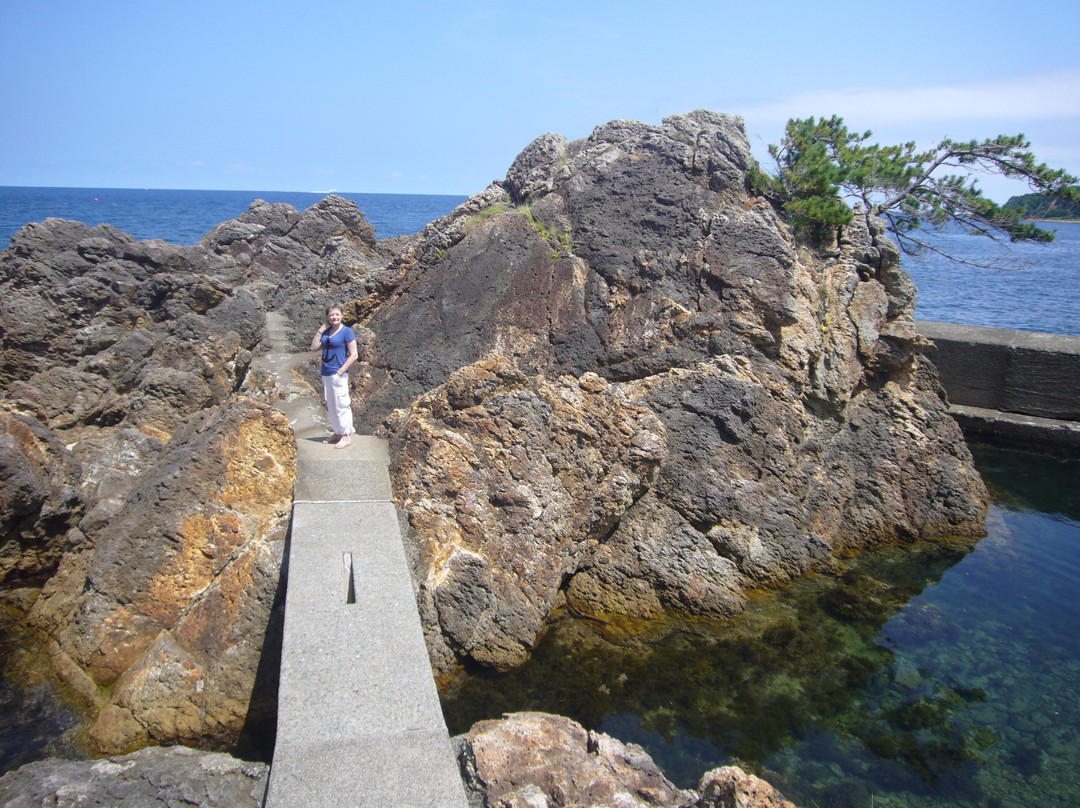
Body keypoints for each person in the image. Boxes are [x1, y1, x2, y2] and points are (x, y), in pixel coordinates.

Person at [310, 305, 358, 448]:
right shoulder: (326, 332)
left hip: (338, 374)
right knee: (331, 404)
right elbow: (313, 348)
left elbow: (354, 355)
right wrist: (320, 330)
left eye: (337, 314)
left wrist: (341, 371)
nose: (334, 317)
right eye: (331, 315)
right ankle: (337, 432)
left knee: (342, 404)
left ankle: (346, 435)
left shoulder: (347, 332)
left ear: (342, 315)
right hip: (326, 372)